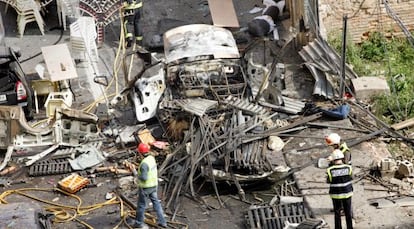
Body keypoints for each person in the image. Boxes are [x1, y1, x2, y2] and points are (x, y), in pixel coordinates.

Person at [127, 143, 167, 228]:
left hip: (146, 187)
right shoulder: (151, 158)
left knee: (141, 205)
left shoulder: (144, 163)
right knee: (156, 203)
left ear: (140, 153)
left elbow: (144, 178)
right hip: (154, 185)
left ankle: (138, 223)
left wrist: (134, 172)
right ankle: (163, 222)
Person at [326, 149, 353, 229]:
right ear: (342, 158)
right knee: (348, 212)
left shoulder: (330, 170)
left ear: (333, 159)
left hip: (336, 195)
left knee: (337, 213)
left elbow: (328, 181)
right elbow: (351, 177)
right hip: (347, 193)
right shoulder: (348, 167)